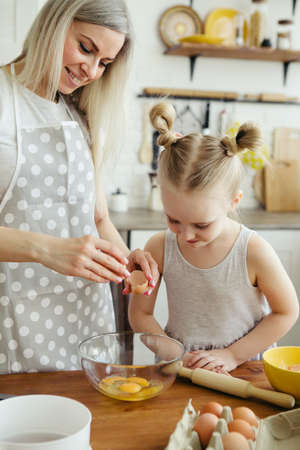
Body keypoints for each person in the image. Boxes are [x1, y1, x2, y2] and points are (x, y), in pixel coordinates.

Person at [0, 0, 158, 374]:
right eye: (86, 48)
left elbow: (98, 218)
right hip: (12, 321)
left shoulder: (80, 113)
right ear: (54, 24)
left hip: (85, 321)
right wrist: (47, 249)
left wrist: (125, 261)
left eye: (104, 63)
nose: (91, 70)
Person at [129, 101, 299, 374]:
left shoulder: (253, 250)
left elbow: (287, 311)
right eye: (173, 219)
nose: (186, 235)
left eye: (201, 224)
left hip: (244, 369)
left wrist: (233, 355)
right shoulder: (159, 247)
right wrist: (172, 351)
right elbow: (140, 314)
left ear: (234, 201)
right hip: (182, 367)